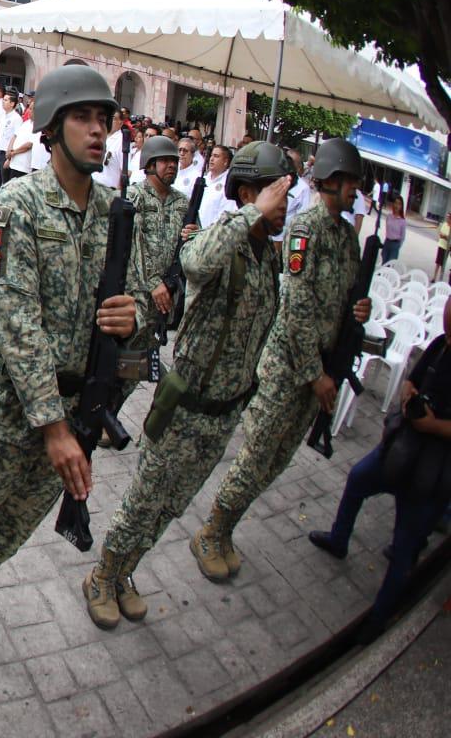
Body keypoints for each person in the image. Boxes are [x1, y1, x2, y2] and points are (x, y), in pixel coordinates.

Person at [0, 66, 145, 669]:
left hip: (74, 410)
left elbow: (142, 296)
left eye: (105, 121)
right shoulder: (13, 205)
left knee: (16, 521)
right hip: (9, 405)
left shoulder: (117, 215)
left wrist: (134, 314)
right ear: (50, 128)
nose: (98, 132)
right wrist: (53, 428)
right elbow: (15, 319)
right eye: (83, 119)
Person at [79, 143, 292, 627]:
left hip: (223, 411)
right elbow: (194, 262)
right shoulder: (227, 238)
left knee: (171, 507)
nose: (285, 205)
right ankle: (101, 575)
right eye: (277, 194)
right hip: (187, 402)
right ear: (250, 192)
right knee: (144, 499)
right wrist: (250, 214)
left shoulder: (268, 257)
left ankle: (125, 573)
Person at [196, 138, 373, 583]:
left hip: (319, 374)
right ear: (332, 180)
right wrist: (315, 375)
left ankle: (227, 529)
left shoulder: (348, 238)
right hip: (287, 370)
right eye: (350, 181)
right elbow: (294, 305)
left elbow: (342, 298)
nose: (355, 189)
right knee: (256, 457)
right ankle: (211, 531)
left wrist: (359, 311)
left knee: (276, 463)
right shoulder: (305, 229)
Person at [308, 294, 451, 643]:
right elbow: (411, 378)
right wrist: (408, 394)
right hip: (401, 449)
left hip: (434, 470)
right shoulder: (440, 345)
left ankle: (379, 621)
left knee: (404, 548)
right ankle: (340, 538)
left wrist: (434, 426)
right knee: (357, 479)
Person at [120, 135, 194, 407]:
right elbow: (132, 244)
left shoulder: (182, 203)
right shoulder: (134, 196)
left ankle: (110, 412)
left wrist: (194, 236)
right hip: (136, 294)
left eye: (174, 161)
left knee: (135, 361)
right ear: (149, 164)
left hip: (164, 297)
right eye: (165, 160)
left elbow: (185, 251)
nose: (172, 166)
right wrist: (152, 282)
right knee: (128, 354)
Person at [382, 194, 407, 263]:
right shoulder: (389, 216)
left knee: (390, 264)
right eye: (395, 203)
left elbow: (403, 237)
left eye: (399, 204)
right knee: (383, 263)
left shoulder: (402, 221)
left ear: (401, 207)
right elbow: (387, 229)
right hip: (387, 242)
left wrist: (397, 246)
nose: (397, 205)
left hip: (395, 244)